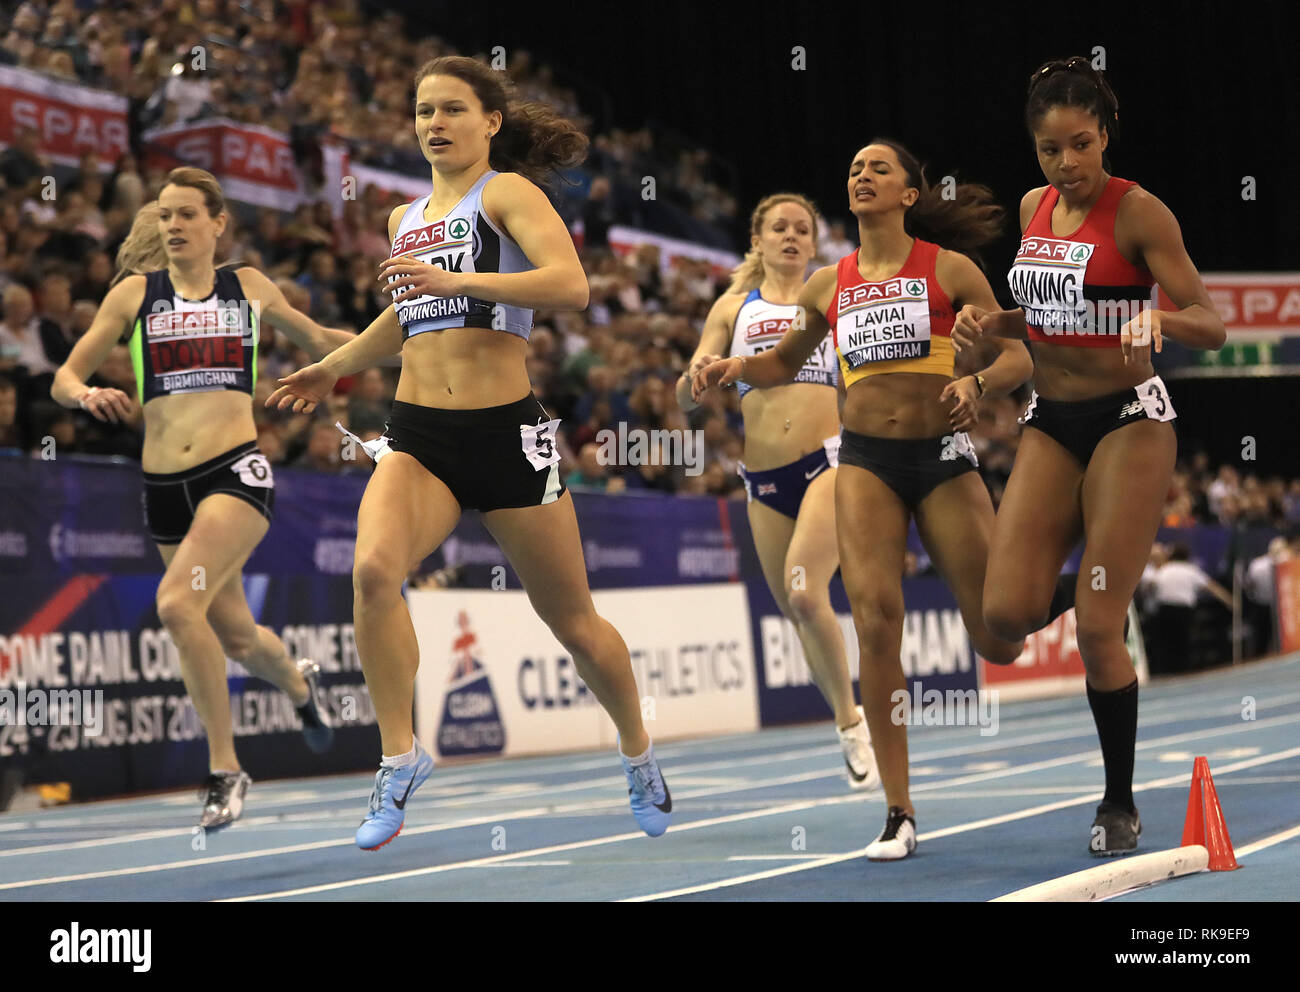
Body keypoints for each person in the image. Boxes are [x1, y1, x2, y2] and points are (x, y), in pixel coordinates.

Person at [267, 55, 672, 851]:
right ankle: (399, 756)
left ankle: (637, 752)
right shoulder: (401, 218)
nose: (434, 124)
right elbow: (409, 317)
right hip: (419, 434)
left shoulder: (509, 194)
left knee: (573, 622)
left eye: (453, 109)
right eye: (423, 111)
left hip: (507, 435)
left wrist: (465, 283)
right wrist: (336, 363)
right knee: (375, 573)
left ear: (489, 122)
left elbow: (570, 287)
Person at [695, 139, 1035, 860]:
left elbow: (1019, 354)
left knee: (999, 636)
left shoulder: (948, 269)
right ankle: (899, 810)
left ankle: (1070, 593)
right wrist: (733, 365)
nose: (861, 174)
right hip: (866, 462)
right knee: (878, 624)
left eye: (879, 168)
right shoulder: (828, 283)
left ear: (910, 193)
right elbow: (784, 360)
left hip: (940, 459)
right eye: (853, 168)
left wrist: (977, 382)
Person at [970, 57, 1226, 854]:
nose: (1067, 164)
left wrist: (1163, 324)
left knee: (1097, 624)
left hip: (1129, 420)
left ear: (1105, 136)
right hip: (1053, 418)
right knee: (1000, 622)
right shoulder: (1031, 207)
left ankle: (1118, 801)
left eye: (1080, 145)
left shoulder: (1140, 213)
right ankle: (1087, 589)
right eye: (1051, 150)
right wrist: (993, 327)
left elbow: (1210, 320)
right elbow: (1048, 316)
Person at [50, 169, 356, 830]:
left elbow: (323, 342)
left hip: (234, 473)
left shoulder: (247, 286)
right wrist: (85, 395)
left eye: (188, 214)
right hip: (164, 489)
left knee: (175, 604)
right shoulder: (135, 295)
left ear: (219, 223)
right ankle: (301, 684)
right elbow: (64, 375)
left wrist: (414, 347)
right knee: (239, 636)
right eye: (165, 216)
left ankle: (225, 768)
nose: (174, 226)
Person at [677, 192, 876, 790]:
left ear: (814, 245)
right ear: (758, 241)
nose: (790, 236)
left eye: (801, 229)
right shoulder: (733, 308)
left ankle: (851, 723)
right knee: (796, 608)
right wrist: (700, 375)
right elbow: (687, 393)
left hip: (829, 462)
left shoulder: (834, 301)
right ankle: (846, 720)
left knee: (805, 590)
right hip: (762, 480)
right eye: (778, 228)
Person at [1147, 544, 1231, 673]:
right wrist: (1230, 601)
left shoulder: (1164, 569)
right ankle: (1183, 670)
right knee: (1183, 642)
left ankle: (1164, 671)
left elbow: (1152, 585)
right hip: (1183, 611)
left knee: (1165, 643)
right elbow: (1212, 587)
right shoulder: (1191, 570)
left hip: (1165, 610)